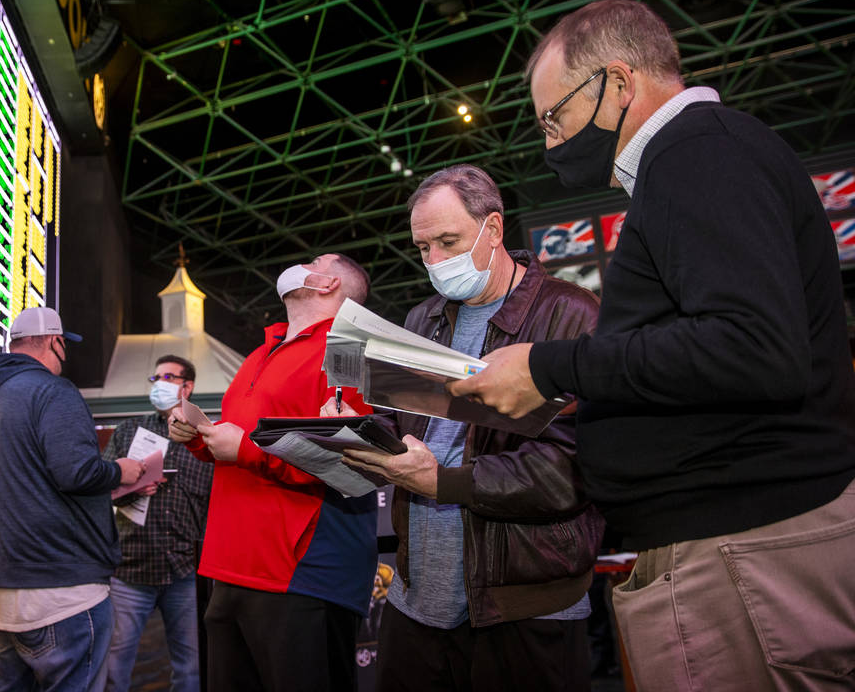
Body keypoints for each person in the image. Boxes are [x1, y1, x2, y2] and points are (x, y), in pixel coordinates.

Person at [455, 0, 855, 691]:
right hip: (739, 542)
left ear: (618, 83)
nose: (551, 144)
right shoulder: (699, 159)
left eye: (556, 117)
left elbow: (754, 347)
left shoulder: (698, 154)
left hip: (746, 545)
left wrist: (550, 367)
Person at [337, 166, 603, 691]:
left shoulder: (570, 314)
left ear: (495, 229)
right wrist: (360, 429)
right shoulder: (422, 319)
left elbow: (576, 466)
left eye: (448, 241)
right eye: (422, 248)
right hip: (419, 599)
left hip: (523, 602)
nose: (435, 260)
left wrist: (445, 482)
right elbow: (402, 420)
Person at [168, 254, 379, 692]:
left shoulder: (346, 346)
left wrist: (244, 449)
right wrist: (197, 435)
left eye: (313, 261)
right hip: (229, 567)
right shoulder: (261, 354)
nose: (300, 264)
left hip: (300, 574)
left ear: (329, 284)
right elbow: (236, 450)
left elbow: (350, 463)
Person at [0, 307, 144, 692]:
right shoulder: (53, 390)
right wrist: (122, 471)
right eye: (64, 344)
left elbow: (34, 483)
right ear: (55, 342)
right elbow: (76, 472)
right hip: (61, 589)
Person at [101, 355, 212, 692]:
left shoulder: (205, 439)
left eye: (167, 377)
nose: (158, 384)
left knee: (191, 666)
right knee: (114, 665)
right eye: (155, 378)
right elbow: (101, 489)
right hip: (131, 570)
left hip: (185, 571)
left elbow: (214, 506)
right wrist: (127, 487)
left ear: (187, 386)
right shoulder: (128, 431)